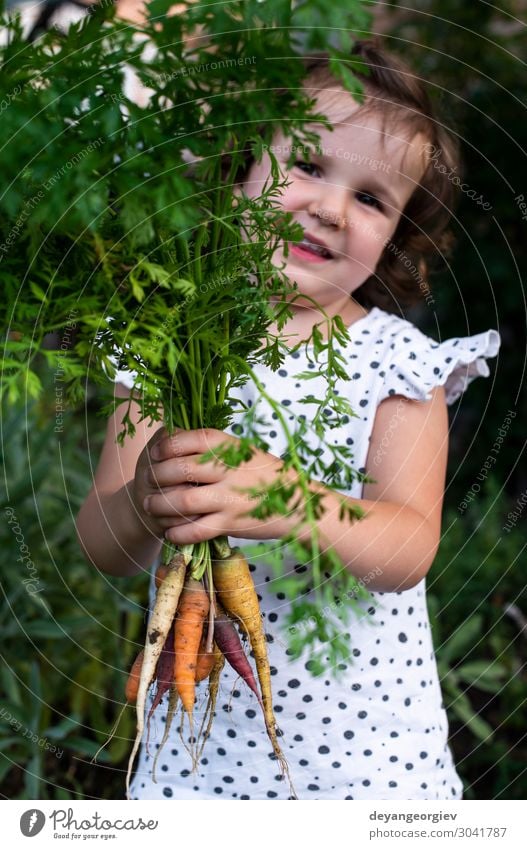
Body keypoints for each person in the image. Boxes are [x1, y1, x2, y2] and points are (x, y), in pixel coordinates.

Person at [76, 40, 500, 800]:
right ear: (241, 165)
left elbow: (405, 546)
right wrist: (147, 491)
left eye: (371, 199)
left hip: (370, 772)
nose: (332, 208)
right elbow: (104, 547)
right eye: (306, 161)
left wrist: (286, 499)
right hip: (194, 770)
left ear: (397, 235)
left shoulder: (398, 363)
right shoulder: (168, 346)